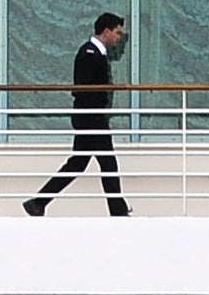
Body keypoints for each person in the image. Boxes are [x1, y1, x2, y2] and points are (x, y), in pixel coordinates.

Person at [27, 12, 131, 217]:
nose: (118, 38)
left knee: (78, 163)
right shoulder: (89, 53)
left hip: (90, 116)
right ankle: (118, 212)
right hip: (91, 117)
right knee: (108, 163)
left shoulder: (95, 53)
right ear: (107, 31)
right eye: (117, 33)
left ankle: (38, 202)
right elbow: (84, 87)